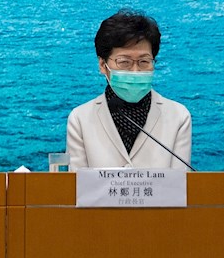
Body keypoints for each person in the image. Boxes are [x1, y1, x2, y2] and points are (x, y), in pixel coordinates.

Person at [65, 10, 193, 170]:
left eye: (144, 61)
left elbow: (178, 184)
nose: (135, 71)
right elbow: (78, 185)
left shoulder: (179, 116)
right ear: (102, 65)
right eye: (124, 62)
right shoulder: (80, 119)